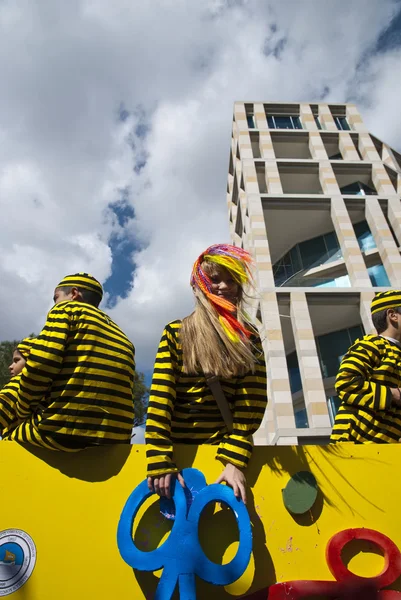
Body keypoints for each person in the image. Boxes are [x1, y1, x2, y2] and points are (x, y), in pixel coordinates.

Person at [146, 244, 267, 503]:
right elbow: (160, 399)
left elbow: (251, 403)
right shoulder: (176, 332)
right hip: (177, 458)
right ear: (199, 285)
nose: (225, 286)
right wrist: (160, 459)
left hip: (223, 457)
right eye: (214, 279)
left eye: (232, 280)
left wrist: (234, 460)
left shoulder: (250, 338)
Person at [2, 272, 136, 451]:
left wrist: (23, 411)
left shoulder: (66, 310)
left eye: (56, 298)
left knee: (9, 436)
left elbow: (42, 363)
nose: (54, 303)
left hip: (64, 430)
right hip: (113, 439)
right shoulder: (121, 333)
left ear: (73, 294)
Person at [331, 290, 401, 443]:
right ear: (393, 315)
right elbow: (345, 383)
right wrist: (394, 394)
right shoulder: (372, 344)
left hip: (387, 452)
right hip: (354, 446)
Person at [0, 338, 35, 438]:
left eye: (17, 360)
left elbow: (3, 406)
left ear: (30, 361)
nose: (10, 366)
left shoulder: (22, 382)